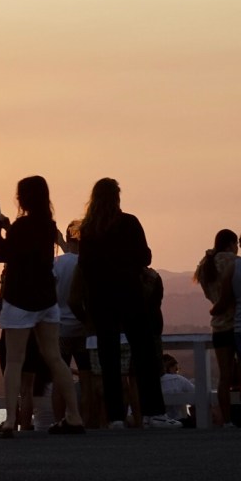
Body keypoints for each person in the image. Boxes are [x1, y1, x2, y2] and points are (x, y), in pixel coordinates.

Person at [78, 178, 180, 429]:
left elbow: (86, 268)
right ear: (117, 197)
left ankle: (115, 417)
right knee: (144, 354)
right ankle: (152, 412)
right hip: (130, 294)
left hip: (101, 300)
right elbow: (144, 256)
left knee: (109, 359)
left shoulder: (89, 230)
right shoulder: (129, 223)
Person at [0, 176, 85, 437]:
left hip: (20, 299)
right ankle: (74, 416)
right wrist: (10, 228)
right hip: (46, 300)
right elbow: (27, 247)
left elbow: (1, 253)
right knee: (54, 357)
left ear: (23, 198)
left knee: (14, 360)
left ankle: (10, 420)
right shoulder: (48, 226)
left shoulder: (22, 227)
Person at [52, 220, 96, 427]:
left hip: (60, 329)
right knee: (87, 380)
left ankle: (59, 420)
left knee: (59, 381)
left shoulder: (57, 263)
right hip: (83, 329)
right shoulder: (87, 263)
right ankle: (85, 420)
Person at [194, 229, 238, 426]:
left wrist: (216, 306)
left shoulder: (205, 265)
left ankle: (227, 420)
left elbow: (209, 295)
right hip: (236, 322)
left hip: (218, 327)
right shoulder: (232, 261)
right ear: (231, 243)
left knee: (224, 376)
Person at [161, 354, 196, 428]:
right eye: (176, 369)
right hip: (178, 421)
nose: (177, 371)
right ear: (170, 368)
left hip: (159, 421)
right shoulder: (178, 379)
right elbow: (196, 393)